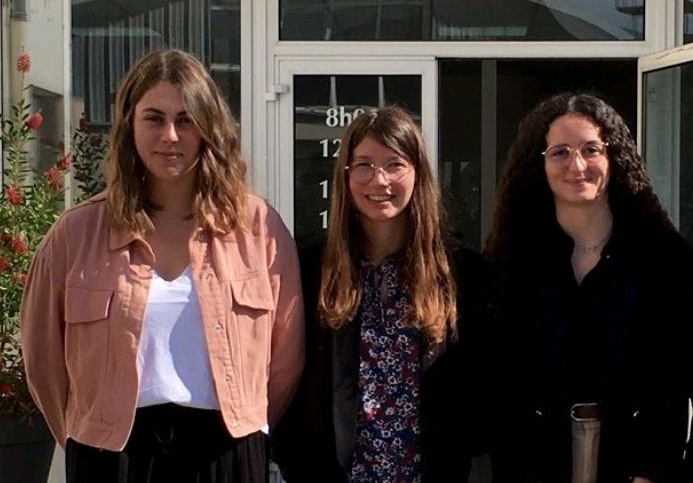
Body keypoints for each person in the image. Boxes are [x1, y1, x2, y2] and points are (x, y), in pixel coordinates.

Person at [20, 49, 304, 483]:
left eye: (186, 120)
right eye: (154, 118)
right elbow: (42, 359)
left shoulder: (260, 229)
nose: (170, 135)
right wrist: (85, 437)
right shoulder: (75, 234)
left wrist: (248, 428)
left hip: (226, 453)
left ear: (209, 129)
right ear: (129, 125)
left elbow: (286, 359)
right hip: (111, 456)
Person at [272, 105, 490, 482]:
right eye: (364, 165)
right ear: (345, 175)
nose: (379, 180)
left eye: (394, 165)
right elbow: (285, 372)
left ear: (417, 173)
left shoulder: (462, 271)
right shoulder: (309, 267)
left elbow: (482, 384)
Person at [484, 92, 693, 482]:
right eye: (560, 152)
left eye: (591, 149)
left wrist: (652, 470)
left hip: (632, 463)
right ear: (539, 164)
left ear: (614, 157)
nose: (577, 165)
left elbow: (673, 378)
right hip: (536, 462)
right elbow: (502, 380)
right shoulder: (511, 259)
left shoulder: (662, 258)